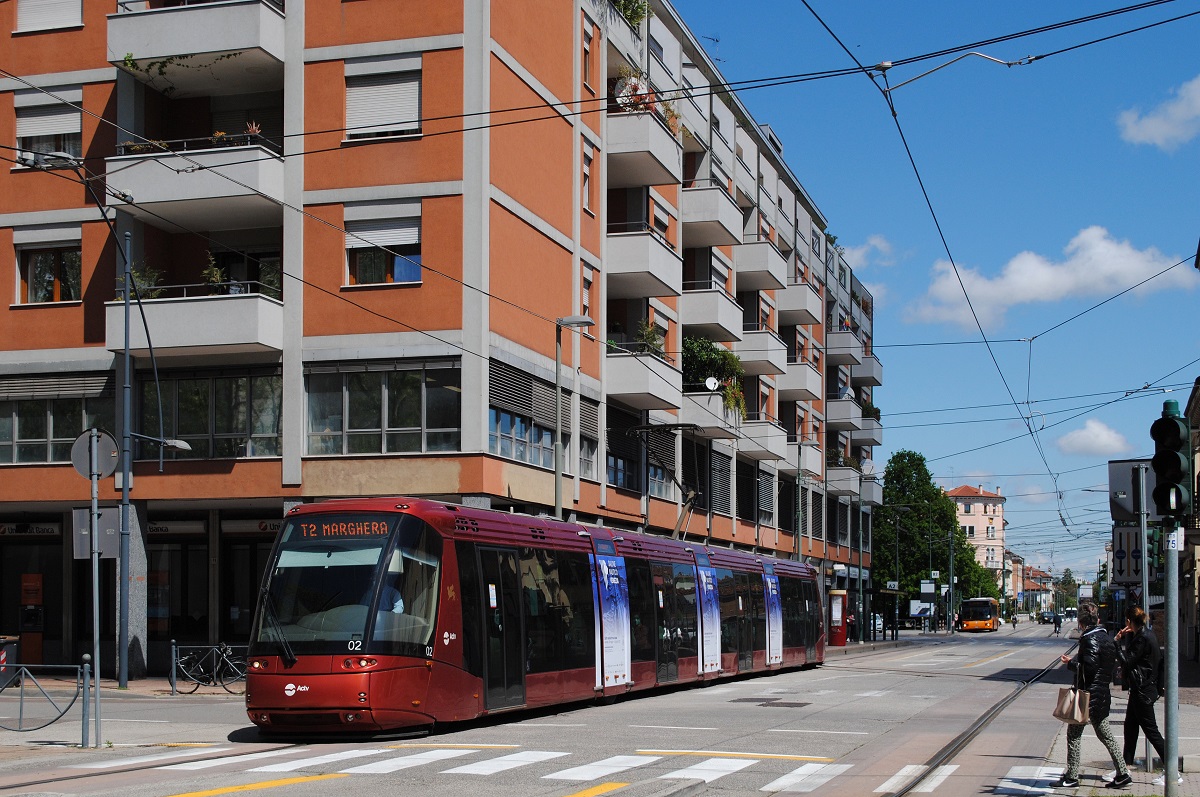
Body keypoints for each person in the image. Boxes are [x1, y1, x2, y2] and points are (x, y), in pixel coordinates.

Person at [1052, 602, 1131, 789]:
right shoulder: (1106, 638)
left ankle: (1072, 777)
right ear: (1098, 619)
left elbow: (1089, 668)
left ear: (1081, 623)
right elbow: (1103, 665)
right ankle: (1123, 773)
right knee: (1106, 735)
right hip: (1102, 694)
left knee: (1073, 735)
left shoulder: (1089, 639)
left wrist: (1071, 664)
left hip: (1086, 697)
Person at [1114, 606, 1174, 784]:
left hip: (1143, 690)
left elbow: (1127, 661)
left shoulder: (1142, 638)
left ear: (1128, 621)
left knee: (1151, 731)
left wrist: (1117, 643)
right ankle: (1124, 769)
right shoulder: (1147, 634)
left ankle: (1172, 771)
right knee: (1130, 728)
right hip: (1141, 689)